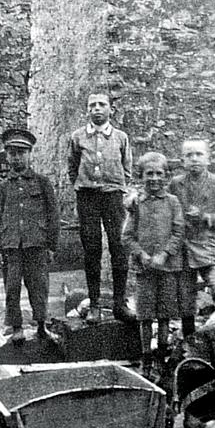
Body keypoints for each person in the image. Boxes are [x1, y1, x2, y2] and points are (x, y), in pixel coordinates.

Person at [67, 92, 134, 323]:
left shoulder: (120, 137)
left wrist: (117, 187)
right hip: (87, 198)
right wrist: (83, 186)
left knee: (118, 246)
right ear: (87, 110)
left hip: (113, 197)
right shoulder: (77, 137)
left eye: (102, 105)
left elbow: (127, 169)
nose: (97, 109)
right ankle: (94, 304)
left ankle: (120, 304)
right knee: (92, 248)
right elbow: (72, 167)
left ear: (110, 110)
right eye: (92, 105)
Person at [0, 127, 59, 342]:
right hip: (11, 245)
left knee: (38, 286)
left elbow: (53, 214)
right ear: (7, 156)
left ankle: (41, 324)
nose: (16, 158)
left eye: (21, 153)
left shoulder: (42, 182)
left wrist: (51, 245)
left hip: (36, 244)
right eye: (12, 153)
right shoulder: (2, 187)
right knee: (11, 287)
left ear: (29, 155)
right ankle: (16, 326)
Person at [168, 139, 215, 334]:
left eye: (199, 154)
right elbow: (166, 207)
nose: (194, 159)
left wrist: (206, 217)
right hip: (183, 247)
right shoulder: (176, 184)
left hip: (210, 245)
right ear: (182, 160)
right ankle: (190, 342)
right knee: (185, 298)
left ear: (208, 158)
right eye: (189, 155)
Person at [123, 152, 185, 375]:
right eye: (150, 174)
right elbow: (127, 236)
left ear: (166, 176)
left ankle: (161, 356)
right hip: (144, 269)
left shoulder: (173, 202)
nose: (154, 178)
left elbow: (178, 232)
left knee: (165, 313)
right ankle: (145, 359)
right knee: (145, 315)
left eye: (159, 173)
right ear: (142, 176)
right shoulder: (137, 204)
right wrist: (142, 255)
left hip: (168, 268)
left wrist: (164, 254)